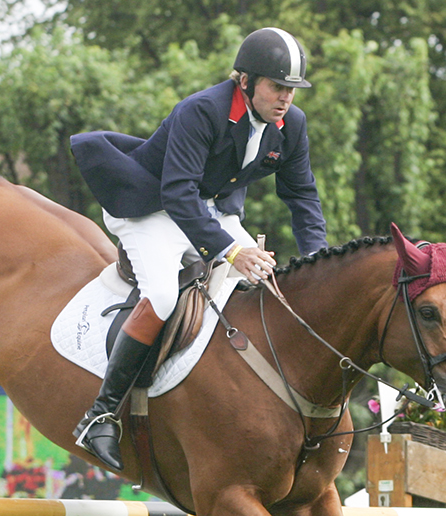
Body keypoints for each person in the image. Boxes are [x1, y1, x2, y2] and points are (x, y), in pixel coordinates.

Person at [69, 27, 328, 471]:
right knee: (165, 295)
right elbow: (178, 194)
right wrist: (229, 253)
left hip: (210, 211)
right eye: (277, 87)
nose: (286, 98)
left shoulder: (291, 125)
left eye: (291, 90)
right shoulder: (201, 111)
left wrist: (320, 263)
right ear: (244, 80)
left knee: (269, 283)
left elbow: (302, 196)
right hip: (152, 209)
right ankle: (102, 415)